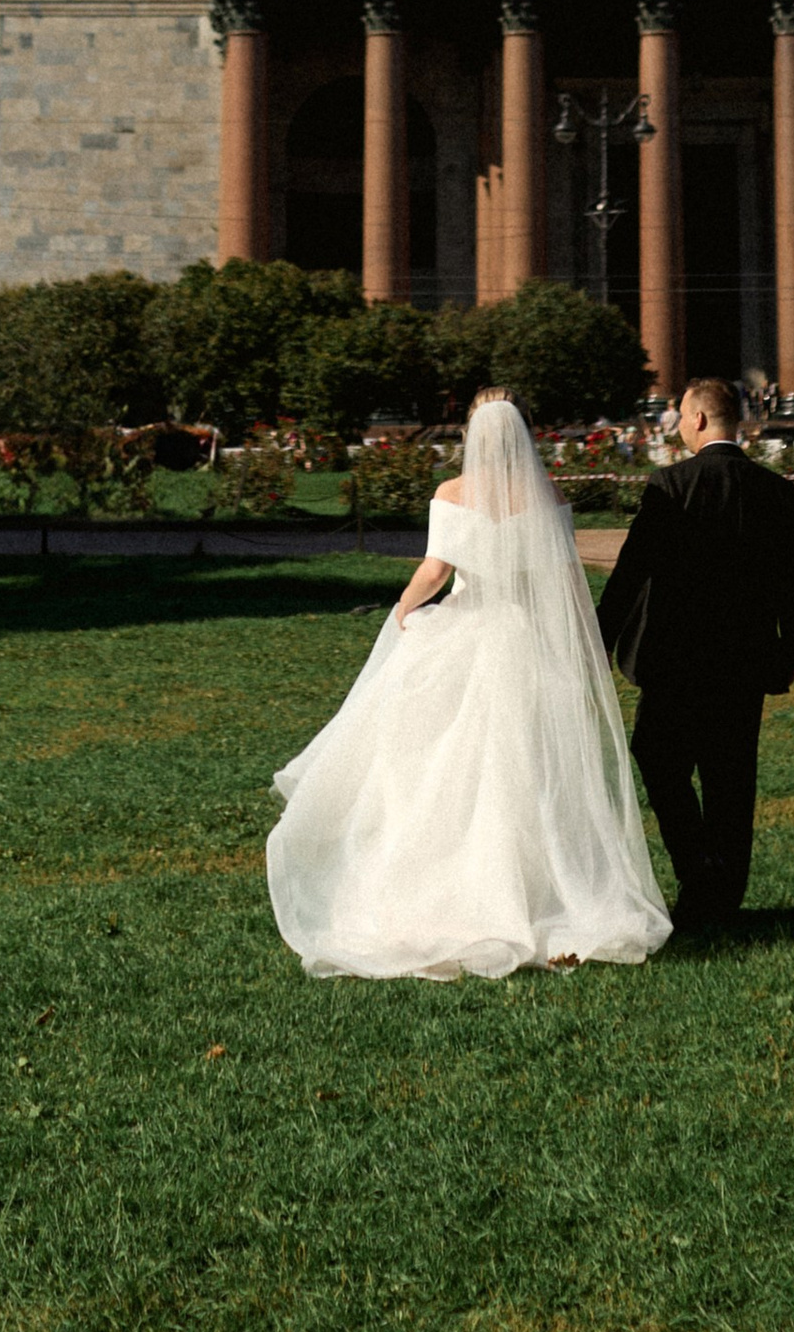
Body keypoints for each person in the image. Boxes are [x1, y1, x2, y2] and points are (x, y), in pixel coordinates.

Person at [265, 392, 670, 981]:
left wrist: (404, 607)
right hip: (528, 643)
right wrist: (583, 648)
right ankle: (536, 894)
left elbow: (436, 570)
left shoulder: (452, 494)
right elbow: (563, 580)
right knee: (528, 771)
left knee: (443, 770)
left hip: (466, 634)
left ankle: (444, 891)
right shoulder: (548, 495)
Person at [597, 375, 794, 929]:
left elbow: (630, 570)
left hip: (675, 659)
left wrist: (598, 640)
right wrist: (791, 653)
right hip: (744, 662)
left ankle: (698, 873)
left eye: (679, 420)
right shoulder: (776, 491)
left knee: (659, 763)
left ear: (696, 420)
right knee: (732, 779)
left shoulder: (670, 485)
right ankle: (723, 894)